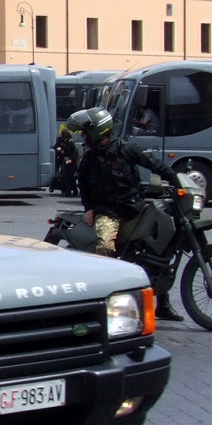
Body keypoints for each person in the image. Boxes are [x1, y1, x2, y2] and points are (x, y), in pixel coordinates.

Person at [67, 107, 183, 321]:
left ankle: (163, 305)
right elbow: (83, 185)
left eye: (84, 132)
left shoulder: (126, 149)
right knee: (105, 247)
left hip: (135, 209)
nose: (82, 137)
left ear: (96, 131)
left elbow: (154, 164)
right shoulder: (89, 158)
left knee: (160, 248)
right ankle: (101, 296)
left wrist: (176, 180)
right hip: (107, 212)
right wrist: (89, 208)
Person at [52, 129, 79, 197]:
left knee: (68, 176)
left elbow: (74, 151)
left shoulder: (70, 142)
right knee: (68, 176)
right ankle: (71, 191)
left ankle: (70, 191)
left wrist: (69, 157)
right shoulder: (66, 141)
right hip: (67, 159)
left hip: (69, 159)